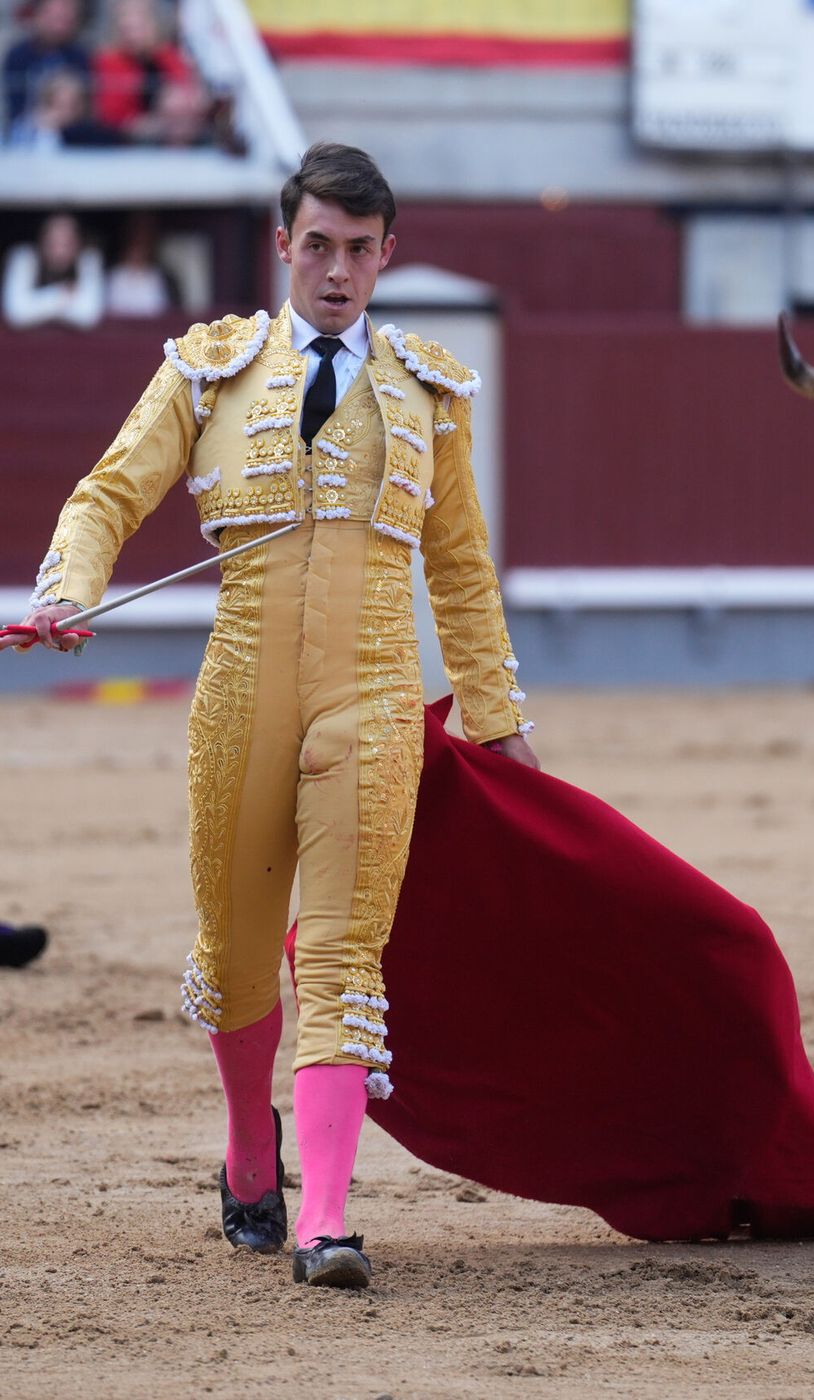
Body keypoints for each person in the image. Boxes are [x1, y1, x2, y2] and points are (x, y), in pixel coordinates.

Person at [2, 142, 538, 1289]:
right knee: (239, 954)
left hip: (373, 693)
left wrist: (496, 717)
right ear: (282, 244)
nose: (337, 271)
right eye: (318, 246)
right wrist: (67, 590)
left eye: (359, 250)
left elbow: (460, 568)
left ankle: (326, 1219)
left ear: (386, 255)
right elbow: (108, 494)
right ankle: (254, 1145)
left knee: (343, 955)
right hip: (241, 695)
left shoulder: (429, 392)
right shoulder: (209, 371)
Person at [91, 0, 194, 139]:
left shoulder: (169, 57)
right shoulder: (109, 62)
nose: (133, 34)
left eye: (140, 25)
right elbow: (111, 113)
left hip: (171, 133)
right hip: (122, 138)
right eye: (128, 27)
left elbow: (187, 96)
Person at [3, 210, 105, 329]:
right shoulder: (24, 257)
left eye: (67, 243)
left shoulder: (88, 259)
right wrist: (61, 293)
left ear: (79, 243)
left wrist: (37, 305)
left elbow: (88, 315)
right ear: (41, 240)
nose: (59, 251)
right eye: (52, 242)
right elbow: (17, 313)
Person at [2, 0, 88, 135]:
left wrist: (64, 117)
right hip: (27, 131)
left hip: (74, 132)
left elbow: (85, 105)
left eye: (66, 18)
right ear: (38, 16)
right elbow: (15, 103)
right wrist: (39, 119)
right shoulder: (18, 55)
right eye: (55, 16)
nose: (60, 24)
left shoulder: (81, 56)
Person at [106, 211, 182, 316]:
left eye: (143, 244)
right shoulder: (114, 276)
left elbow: (171, 312)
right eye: (135, 243)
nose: (138, 253)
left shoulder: (163, 277)